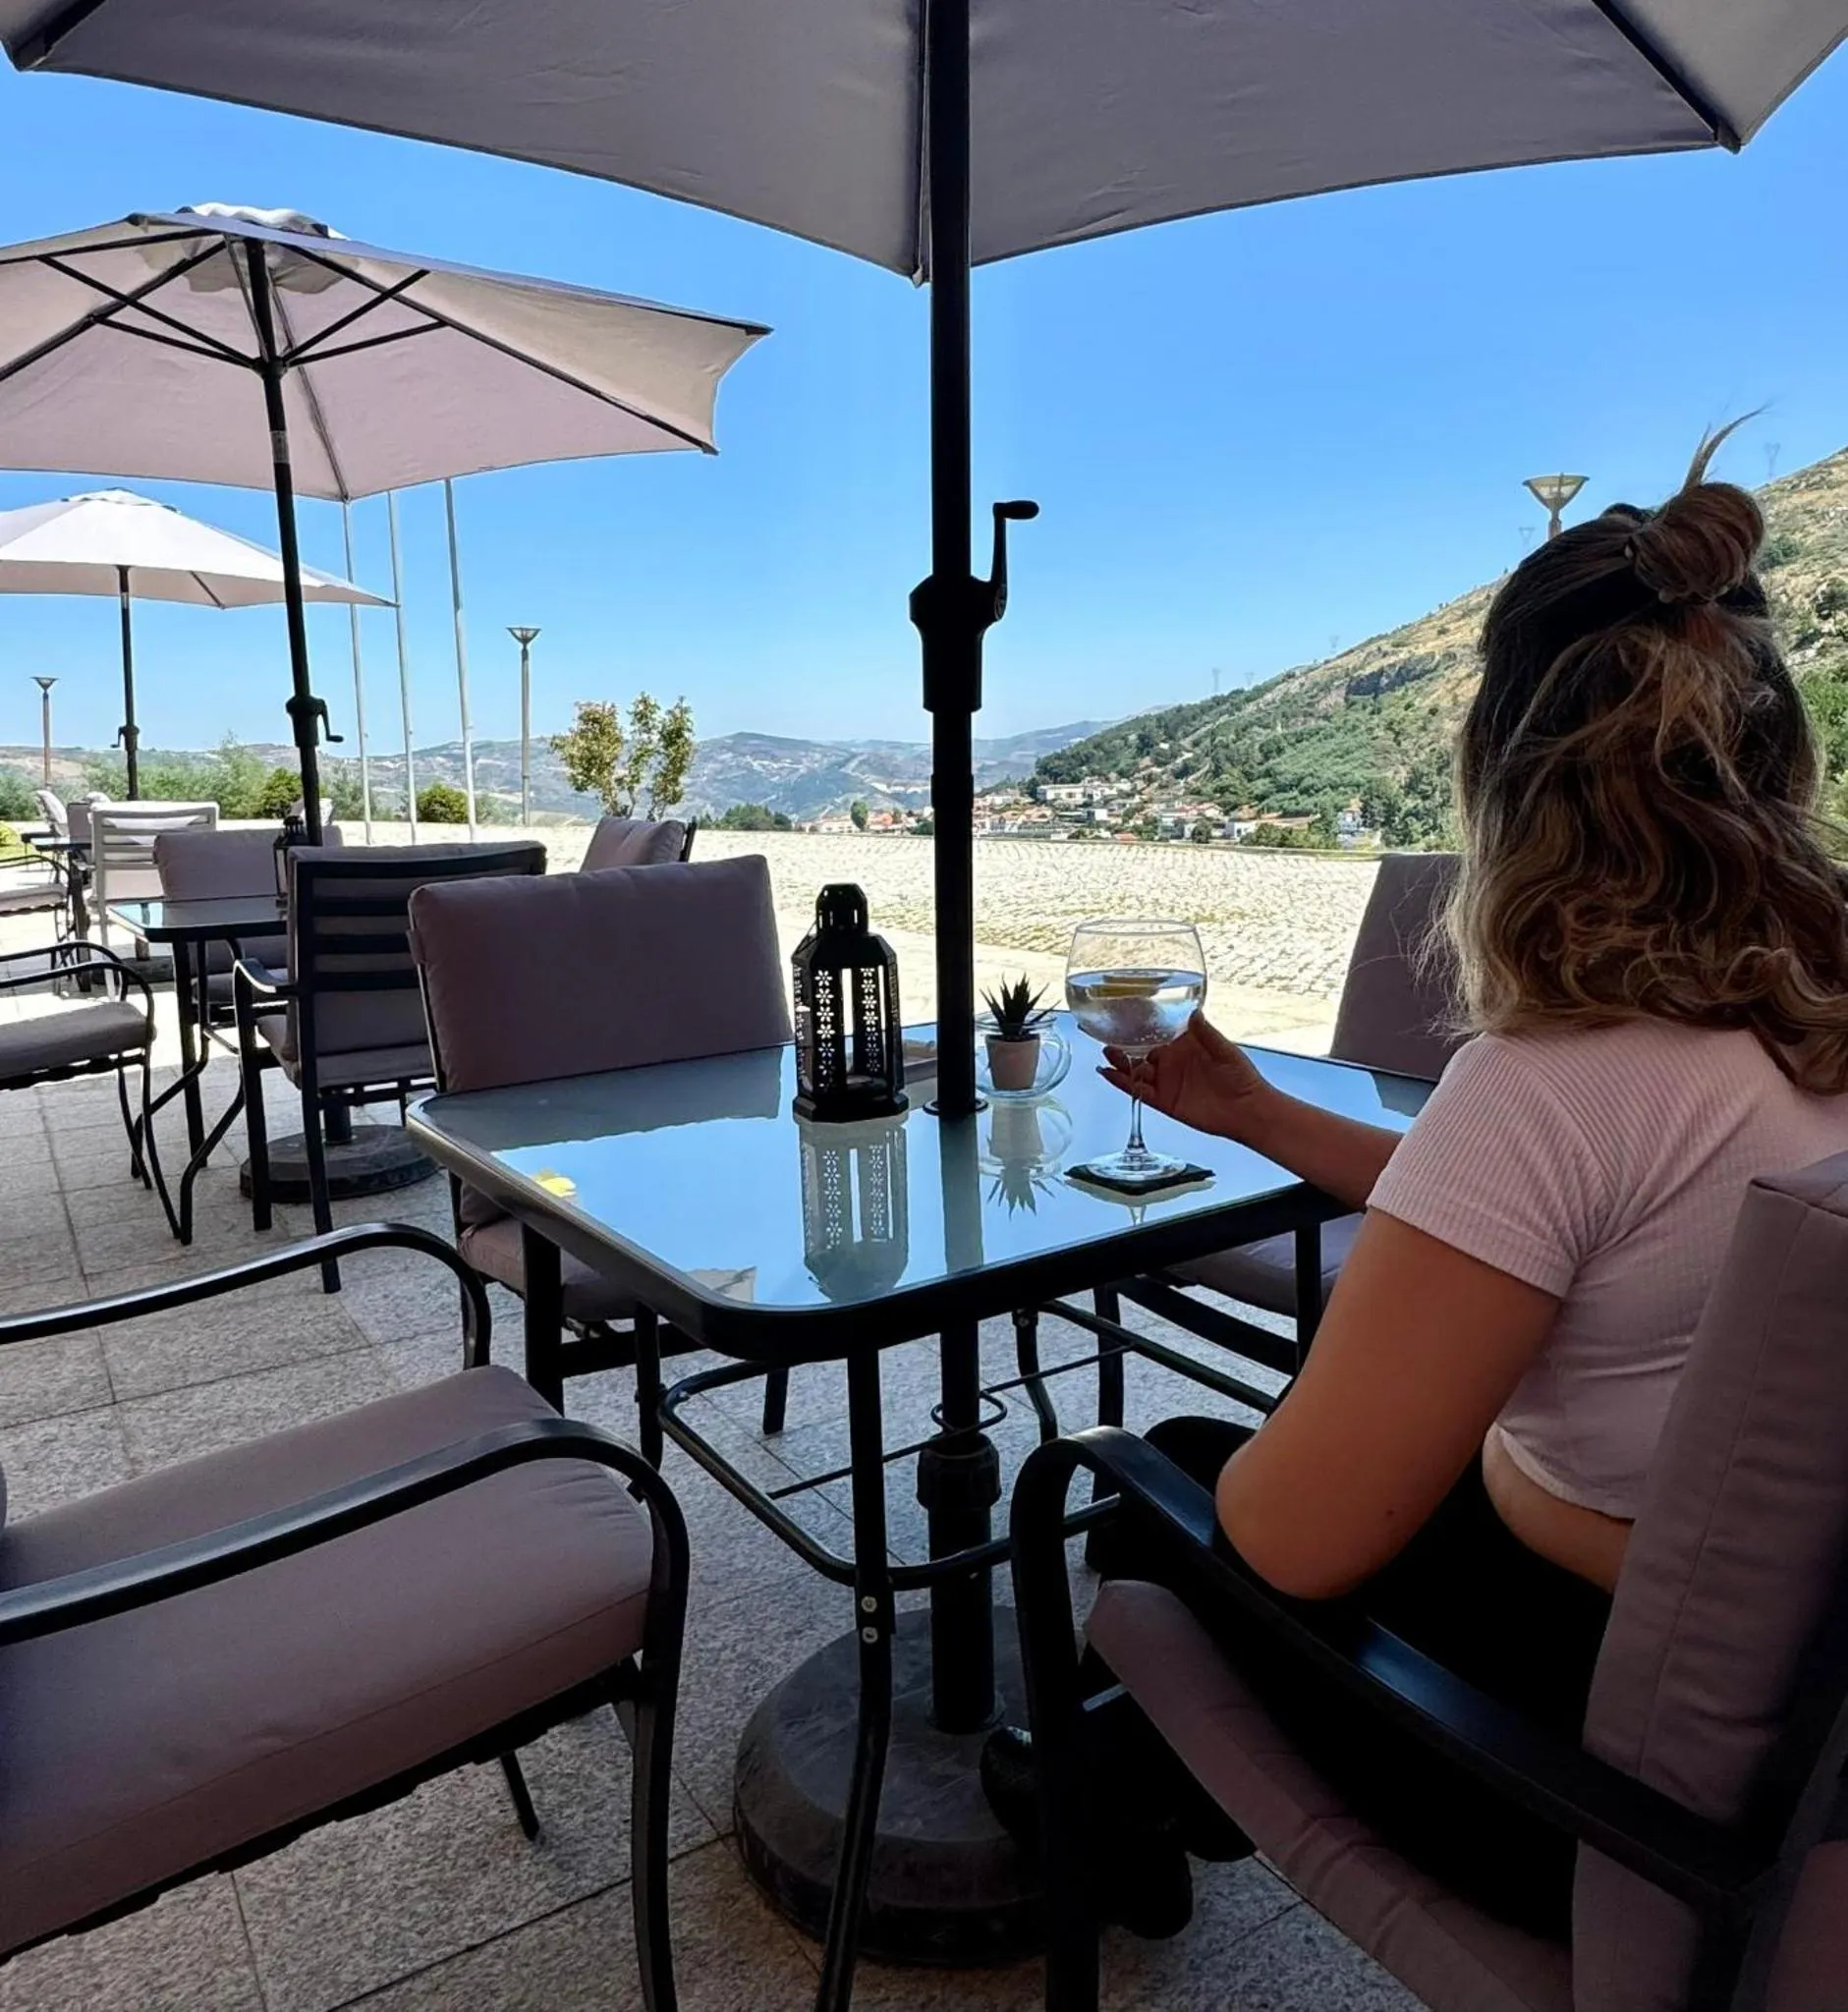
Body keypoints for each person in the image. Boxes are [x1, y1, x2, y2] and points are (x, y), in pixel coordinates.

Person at [1005, 431, 1848, 1938]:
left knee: (1157, 1491)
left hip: (1608, 1809)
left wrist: (1521, 1481)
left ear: (1505, 783)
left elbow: (1293, 1543)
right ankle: (1123, 1772)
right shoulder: (1784, 1034)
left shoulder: (1561, 1082)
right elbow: (1567, 1233)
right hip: (1803, 1752)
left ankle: (1103, 1793)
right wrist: (1260, 1112)